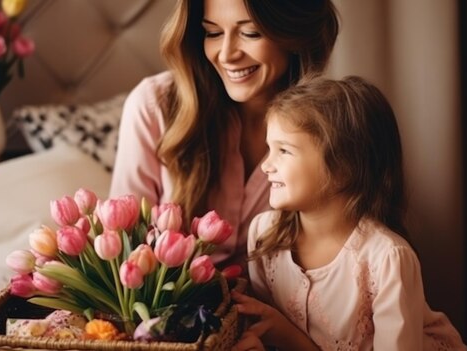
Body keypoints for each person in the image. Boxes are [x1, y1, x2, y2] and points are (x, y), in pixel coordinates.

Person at [232, 76, 467, 350]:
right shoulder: (263, 234)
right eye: (269, 149)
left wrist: (292, 339)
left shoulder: (387, 259)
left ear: (344, 168)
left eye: (284, 151)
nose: (265, 166)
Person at [110, 0, 339, 269]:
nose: (227, 54)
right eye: (213, 33)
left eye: (250, 33)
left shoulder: (331, 127)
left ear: (294, 34)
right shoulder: (154, 106)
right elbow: (124, 252)